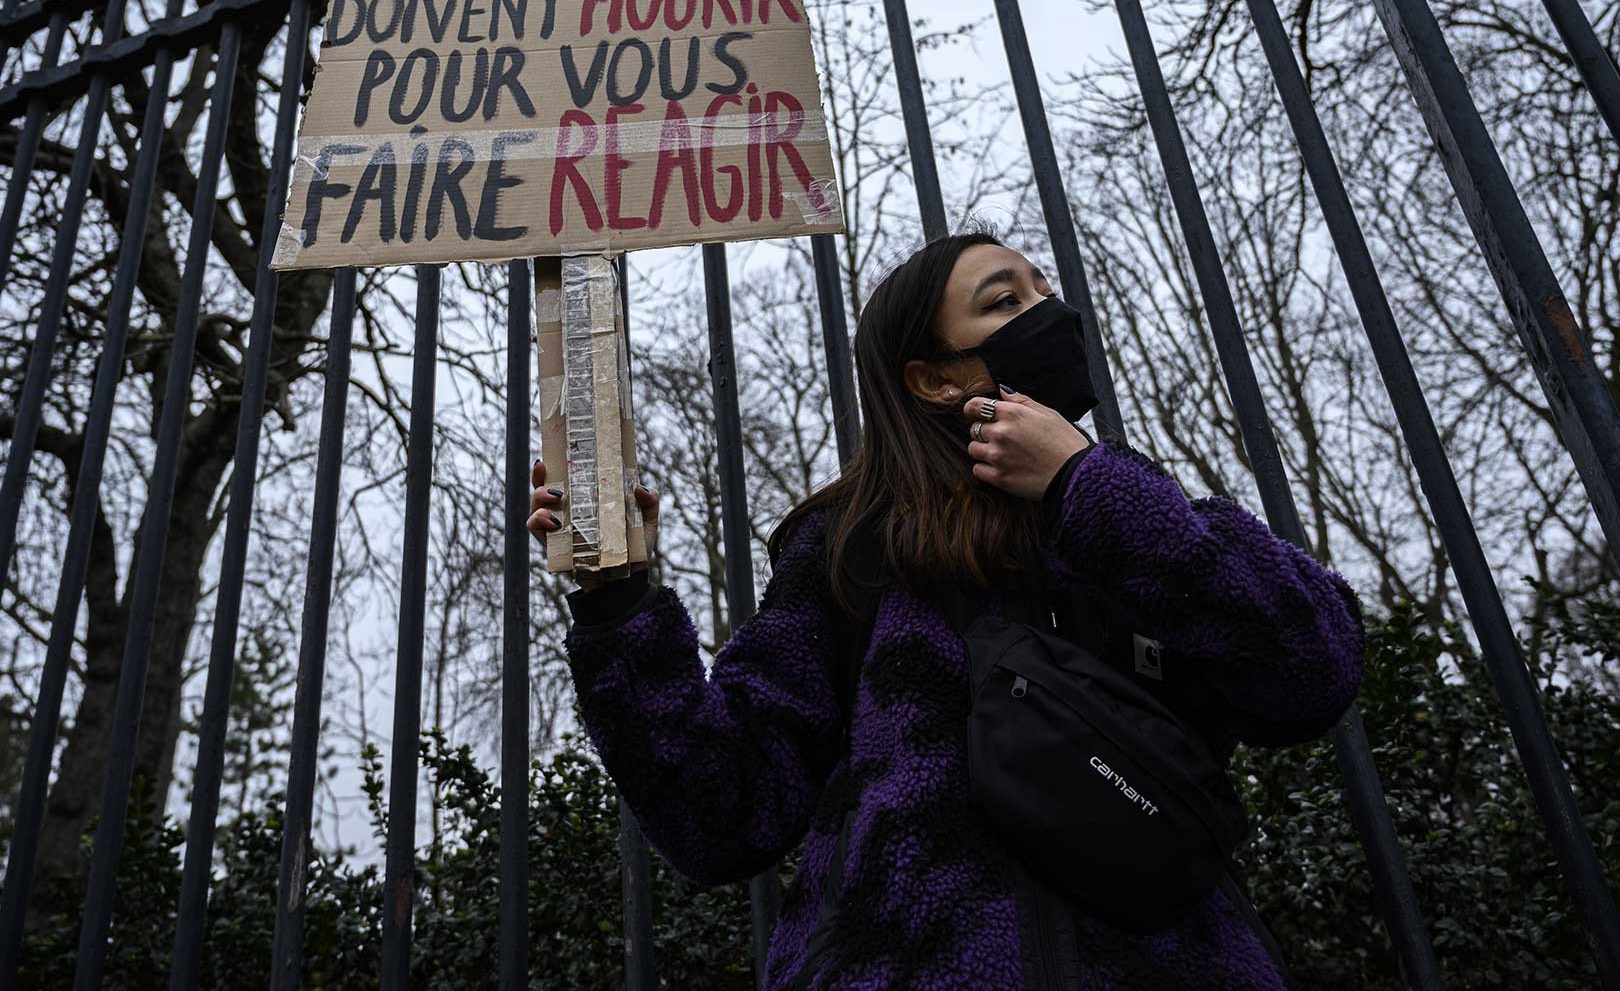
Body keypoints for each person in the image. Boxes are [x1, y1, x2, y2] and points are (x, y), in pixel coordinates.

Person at [531, 231, 1365, 989]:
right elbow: (728, 811)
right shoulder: (848, 548)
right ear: (932, 377)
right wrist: (620, 605)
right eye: (1006, 302)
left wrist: (1084, 485)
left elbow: (1313, 670)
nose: (1051, 313)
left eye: (1046, 292)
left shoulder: (1146, 523)